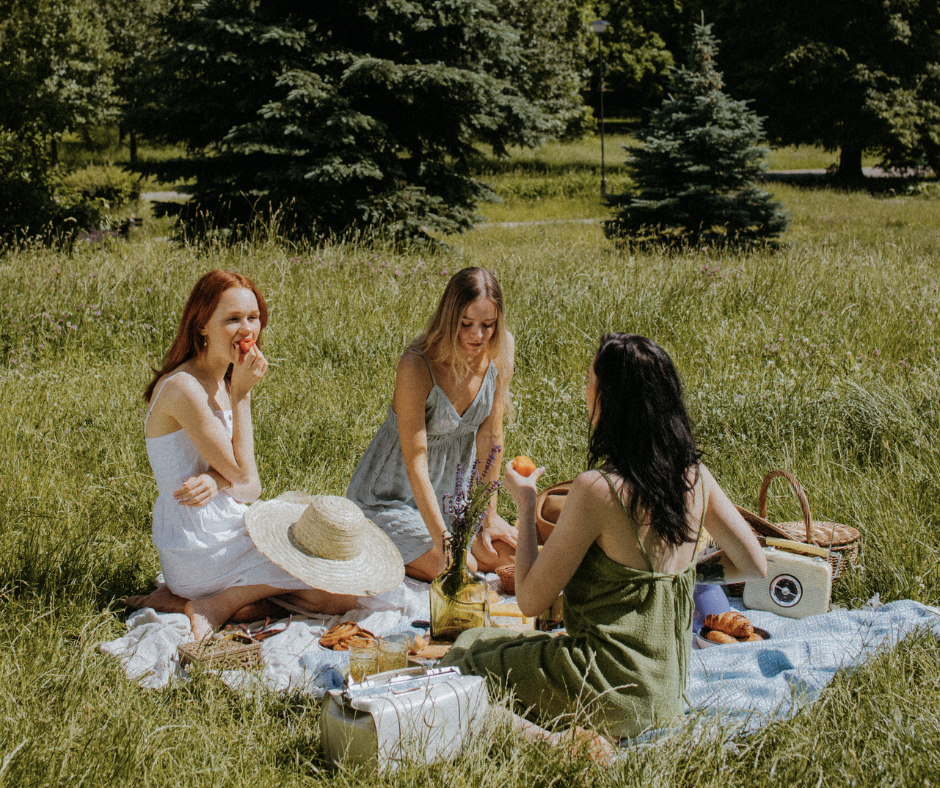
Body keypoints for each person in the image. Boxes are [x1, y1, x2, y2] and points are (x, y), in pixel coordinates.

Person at [440, 333, 768, 744]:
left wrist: (525, 505)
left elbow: (529, 600)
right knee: (489, 642)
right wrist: (680, 574)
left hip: (604, 688)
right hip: (665, 694)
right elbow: (755, 565)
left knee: (464, 656)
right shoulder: (695, 478)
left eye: (590, 380)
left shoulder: (599, 489)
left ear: (611, 401)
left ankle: (557, 744)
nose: (584, 388)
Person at [137, 270, 360, 639]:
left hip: (224, 525)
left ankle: (205, 602)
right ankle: (211, 603)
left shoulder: (225, 378)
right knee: (336, 593)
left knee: (337, 590)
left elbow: (245, 483)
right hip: (198, 546)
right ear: (202, 326)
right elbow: (248, 485)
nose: (247, 330)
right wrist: (242, 396)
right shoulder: (185, 388)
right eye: (232, 319)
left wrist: (216, 477)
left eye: (253, 318)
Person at [347, 267, 518, 581]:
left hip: (455, 499)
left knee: (514, 556)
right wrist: (444, 540)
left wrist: (488, 515)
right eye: (466, 324)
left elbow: (491, 438)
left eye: (487, 325)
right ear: (449, 319)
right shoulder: (416, 364)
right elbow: (415, 460)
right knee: (460, 566)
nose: (478, 335)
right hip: (391, 499)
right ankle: (369, 546)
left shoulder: (500, 347)